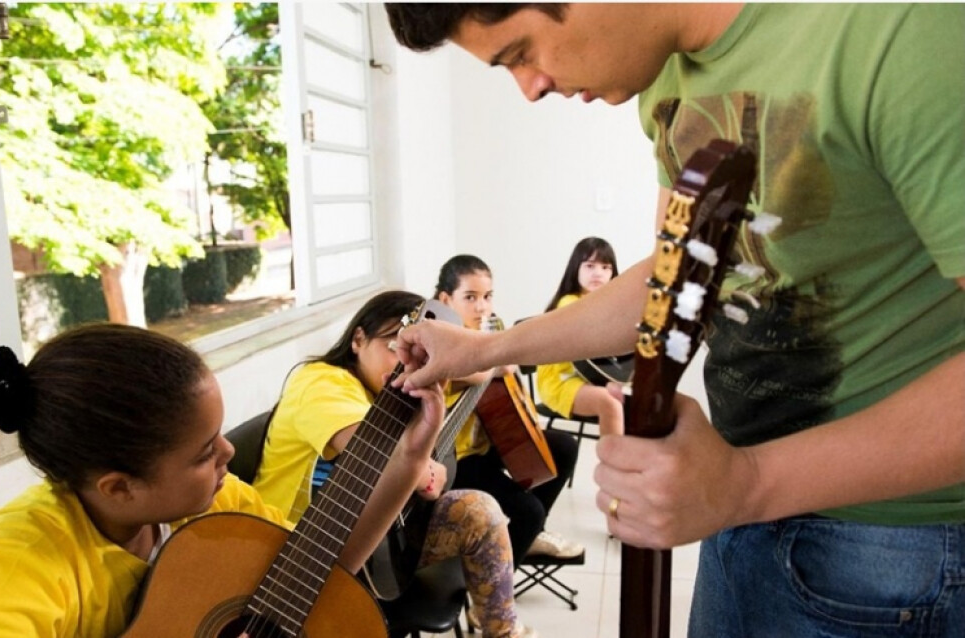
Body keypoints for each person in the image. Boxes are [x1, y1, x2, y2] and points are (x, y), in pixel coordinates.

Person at [385, 4, 965, 637]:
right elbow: (670, 280)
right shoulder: (666, 73)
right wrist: (481, 348)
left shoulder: (902, 29)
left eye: (522, 52)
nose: (531, 87)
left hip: (893, 548)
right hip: (737, 505)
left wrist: (748, 484)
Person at [0, 323, 444, 637]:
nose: (229, 452)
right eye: (204, 452)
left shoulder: (217, 507)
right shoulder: (10, 563)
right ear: (119, 487)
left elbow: (320, 576)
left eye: (218, 435)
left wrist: (410, 459)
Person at [252, 290, 538, 638]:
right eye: (393, 347)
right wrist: (423, 469)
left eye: (416, 354)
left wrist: (453, 349)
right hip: (298, 548)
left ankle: (503, 631)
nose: (403, 363)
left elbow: (478, 373)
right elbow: (374, 455)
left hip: (373, 536)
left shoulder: (399, 383)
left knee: (481, 512)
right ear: (359, 339)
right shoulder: (320, 381)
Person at [433, 254, 584, 561]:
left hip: (488, 442)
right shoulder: (438, 340)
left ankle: (527, 536)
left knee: (563, 447)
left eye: (487, 297)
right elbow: (452, 373)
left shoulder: (485, 333)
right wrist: (495, 365)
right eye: (470, 297)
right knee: (527, 510)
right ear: (446, 299)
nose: (481, 307)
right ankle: (489, 588)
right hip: (457, 459)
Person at [535, 237, 623, 431]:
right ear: (576, 269)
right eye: (590, 266)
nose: (597, 273)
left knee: (635, 398)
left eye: (605, 267)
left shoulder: (609, 306)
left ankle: (633, 457)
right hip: (561, 380)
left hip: (590, 377)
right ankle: (614, 460)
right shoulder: (570, 302)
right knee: (610, 403)